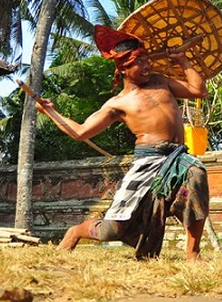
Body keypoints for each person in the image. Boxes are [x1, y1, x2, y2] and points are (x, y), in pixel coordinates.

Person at [34, 25, 210, 261]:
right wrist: (51, 112)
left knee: (196, 174)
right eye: (140, 62)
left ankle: (192, 254)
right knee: (114, 229)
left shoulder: (162, 82)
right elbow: (81, 132)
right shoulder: (118, 103)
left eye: (148, 60)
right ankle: (76, 231)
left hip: (178, 156)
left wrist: (182, 60)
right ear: (123, 68)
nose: (148, 66)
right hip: (148, 161)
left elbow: (199, 90)